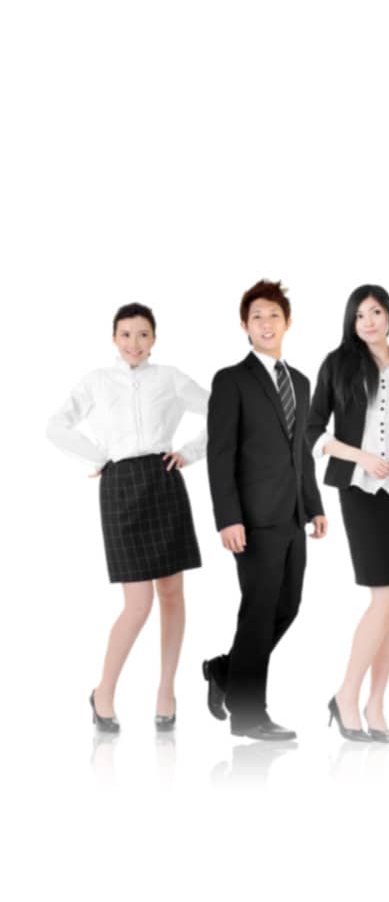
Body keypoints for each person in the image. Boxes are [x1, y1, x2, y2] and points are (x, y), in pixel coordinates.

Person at [48, 302, 207, 733]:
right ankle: (104, 692)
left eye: (142, 334)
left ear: (154, 338)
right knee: (137, 604)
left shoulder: (171, 378)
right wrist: (100, 457)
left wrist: (189, 452)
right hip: (120, 486)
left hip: (163, 478)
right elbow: (56, 426)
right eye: (125, 334)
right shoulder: (97, 381)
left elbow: (220, 412)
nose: (134, 343)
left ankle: (166, 690)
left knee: (172, 594)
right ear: (114, 339)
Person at [201, 280, 328, 741]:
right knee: (258, 611)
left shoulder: (300, 381)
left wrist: (313, 506)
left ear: (287, 322)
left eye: (273, 315)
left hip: (293, 516)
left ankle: (225, 670)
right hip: (252, 520)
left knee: (288, 606)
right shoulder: (231, 380)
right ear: (244, 326)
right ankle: (249, 713)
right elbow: (221, 455)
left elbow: (302, 452)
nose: (266, 323)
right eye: (256, 317)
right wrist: (227, 517)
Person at [307, 285, 389, 742]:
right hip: (360, 490)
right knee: (386, 599)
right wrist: (361, 456)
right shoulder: (337, 364)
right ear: (351, 323)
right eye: (360, 315)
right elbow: (314, 430)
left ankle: (376, 703)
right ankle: (345, 695)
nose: (369, 321)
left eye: (376, 312)